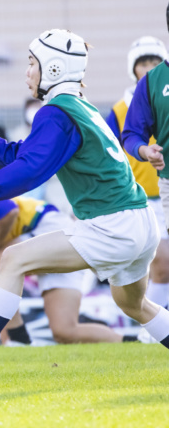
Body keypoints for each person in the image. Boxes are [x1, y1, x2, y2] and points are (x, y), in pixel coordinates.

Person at [0, 28, 169, 382]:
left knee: (12, 259)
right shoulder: (77, 107)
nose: (27, 72)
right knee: (134, 305)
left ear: (53, 68)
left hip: (112, 224)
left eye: (31, 64)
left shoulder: (57, 111)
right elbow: (23, 155)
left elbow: (28, 171)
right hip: (140, 222)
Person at [0, 185, 136, 345]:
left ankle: (18, 340)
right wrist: (1, 334)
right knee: (65, 332)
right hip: (39, 252)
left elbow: (9, 211)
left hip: (46, 228)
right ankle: (132, 342)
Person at [108, 36, 169, 315]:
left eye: (152, 62)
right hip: (141, 198)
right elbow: (110, 148)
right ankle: (150, 323)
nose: (147, 68)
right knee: (160, 266)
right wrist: (144, 150)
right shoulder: (120, 109)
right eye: (142, 63)